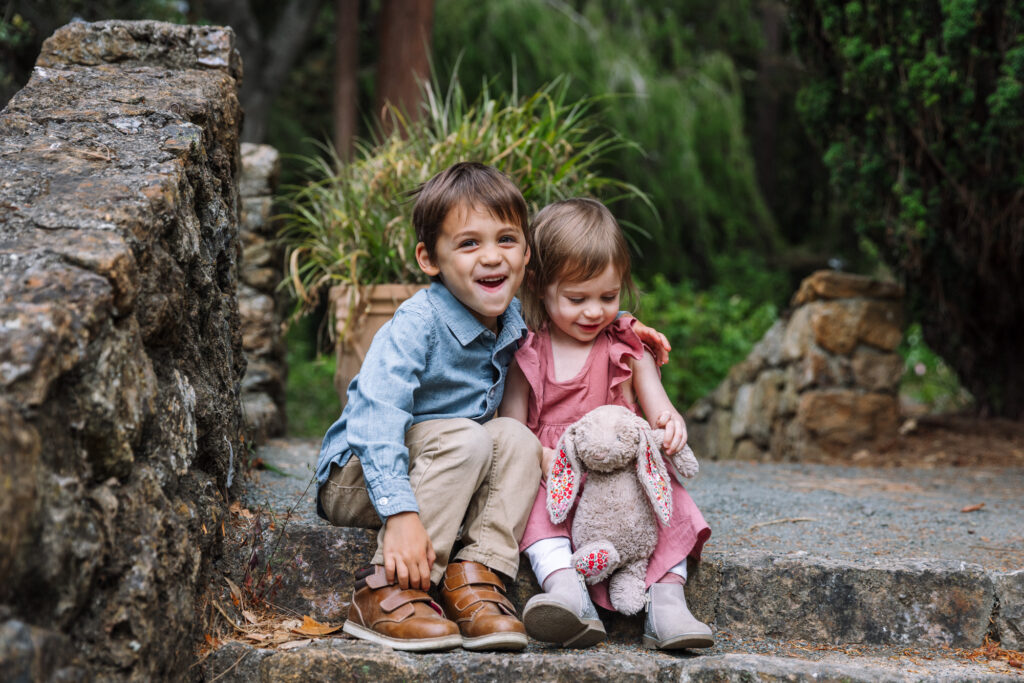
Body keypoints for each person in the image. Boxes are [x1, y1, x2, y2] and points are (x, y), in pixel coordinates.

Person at [315, 162, 542, 652]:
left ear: (526, 252)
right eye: (468, 243)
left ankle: (475, 578)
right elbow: (375, 413)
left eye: (506, 240)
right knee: (467, 435)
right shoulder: (418, 321)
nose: (492, 258)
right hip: (359, 478)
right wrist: (399, 513)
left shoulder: (513, 316)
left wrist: (624, 331)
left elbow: (580, 302)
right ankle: (389, 590)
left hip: (446, 467)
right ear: (429, 258)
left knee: (519, 439)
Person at [500, 198, 713, 651]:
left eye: (608, 297)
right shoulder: (528, 353)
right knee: (537, 520)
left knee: (669, 508)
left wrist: (670, 424)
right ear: (539, 286)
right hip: (557, 475)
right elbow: (510, 428)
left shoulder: (624, 346)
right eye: (577, 299)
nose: (594, 311)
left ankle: (669, 603)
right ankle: (567, 595)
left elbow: (658, 405)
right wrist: (540, 456)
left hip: (624, 480)